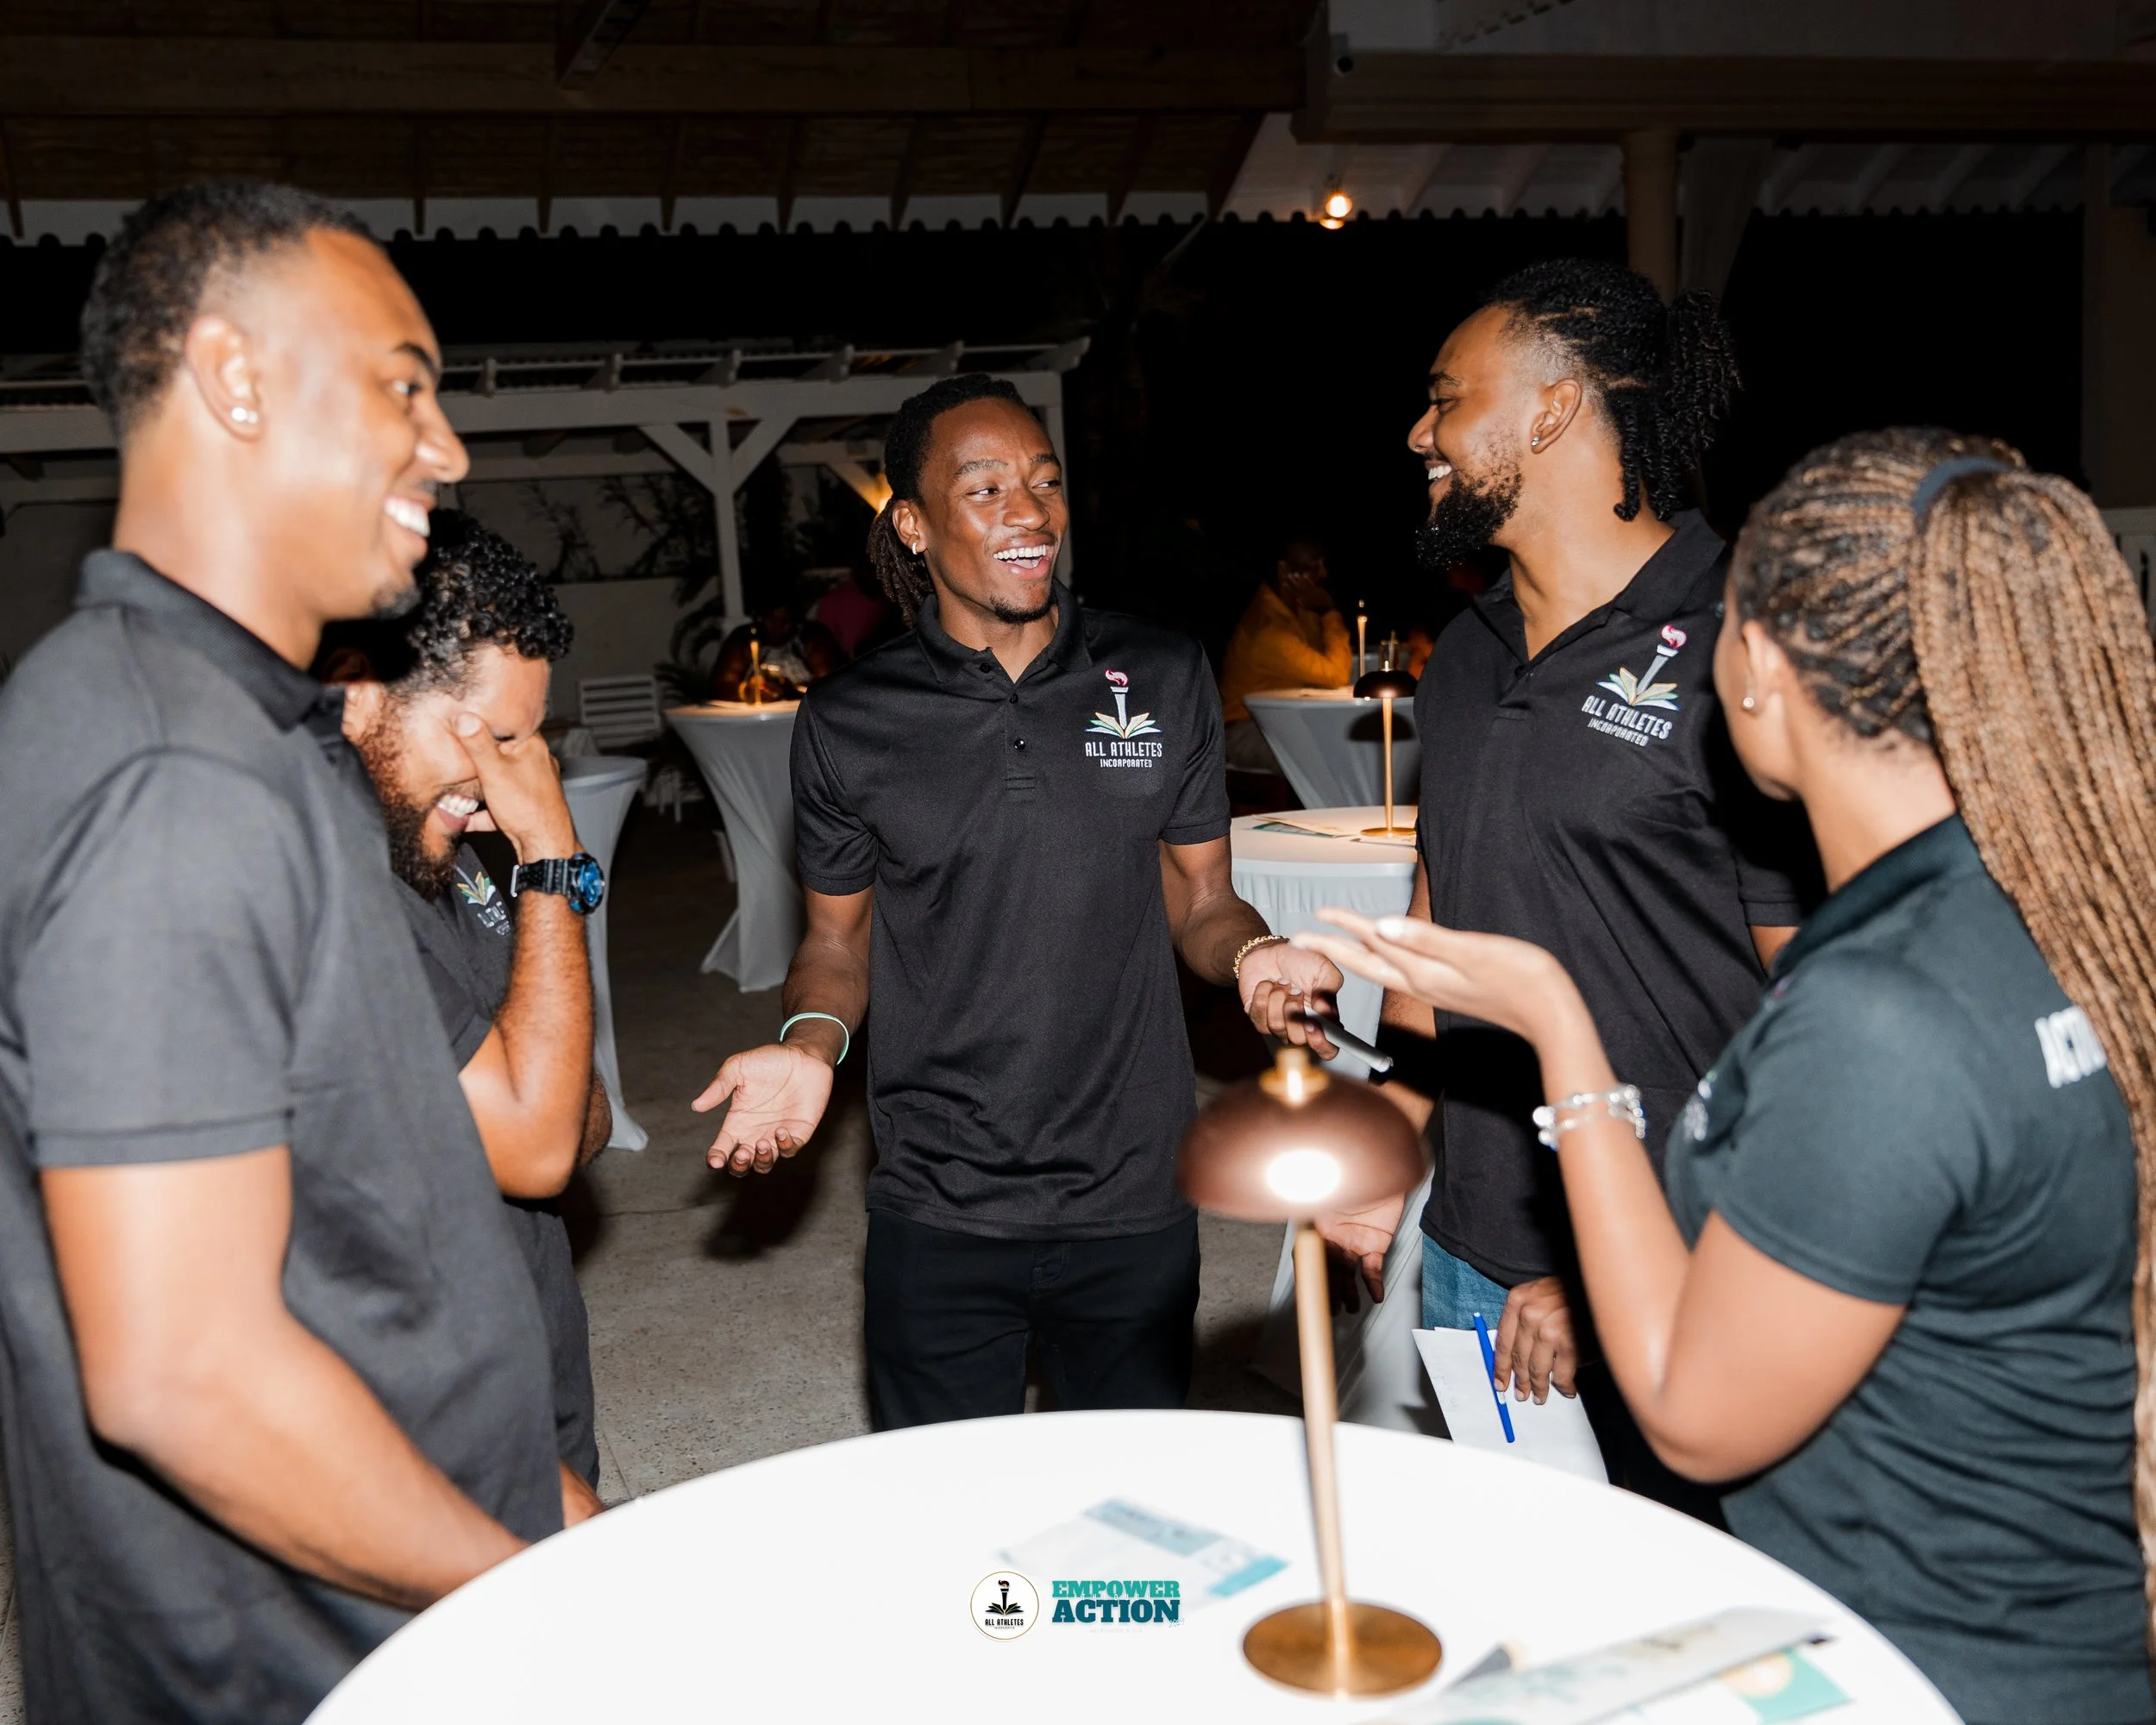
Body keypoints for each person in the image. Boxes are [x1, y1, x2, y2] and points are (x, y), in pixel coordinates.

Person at [1299, 429, 2156, 1724]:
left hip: (1923, 1666)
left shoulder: (1881, 1013)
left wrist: (1560, 1028)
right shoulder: (2054, 908)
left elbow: (1696, 1414)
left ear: (1760, 668)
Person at [0, 183, 576, 1724]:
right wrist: (537, 1594)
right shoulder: (170, 777)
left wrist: (544, 1499)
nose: (447, 449)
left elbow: (347, 1231)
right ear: (234, 378)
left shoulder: (241, 734)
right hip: (302, 1661)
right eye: (404, 384)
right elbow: (182, 1373)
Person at [690, 373, 1341, 1428]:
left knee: (1123, 1517)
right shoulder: (851, 718)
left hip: (1135, 1186)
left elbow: (1202, 899)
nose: (1029, 512)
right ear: (912, 523)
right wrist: (810, 1043)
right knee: (955, 1517)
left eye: (1043, 481)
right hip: (940, 1195)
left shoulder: (1160, 672)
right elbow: (836, 943)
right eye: (985, 488)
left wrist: (1252, 953)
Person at [1319, 260, 1813, 1507]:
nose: (1418, 432)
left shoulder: (1740, 644)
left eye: (1446, 398)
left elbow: (1822, 1020)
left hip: (1695, 1266)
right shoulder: (1466, 654)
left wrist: (1628, 1261)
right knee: (1522, 1604)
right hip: (1477, 1251)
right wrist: (1389, 1134)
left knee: (1697, 1609)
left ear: (1550, 411)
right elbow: (1442, 918)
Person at [320, 510, 612, 1490]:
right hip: (431, 1423)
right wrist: (553, 857)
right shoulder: (333, 893)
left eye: (529, 742)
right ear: (357, 695)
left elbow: (580, 1110)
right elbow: (541, 1145)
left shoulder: (446, 854)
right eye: (494, 737)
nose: (509, 781)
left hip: (530, 1355)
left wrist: (545, 1091)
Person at [1216, 535, 1353, 772]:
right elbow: (1337, 674)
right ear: (1284, 570)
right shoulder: (1268, 630)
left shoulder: (1297, 612)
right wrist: (1328, 612)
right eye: (1313, 565)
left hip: (1280, 721)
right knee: (1318, 757)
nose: (1323, 573)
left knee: (1343, 742)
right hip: (1245, 729)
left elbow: (1325, 662)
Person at [711, 597, 844, 699]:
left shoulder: (813, 637)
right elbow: (721, 685)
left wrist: (790, 692)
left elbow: (829, 686)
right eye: (771, 620)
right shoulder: (744, 638)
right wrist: (747, 691)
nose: (777, 627)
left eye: (785, 622)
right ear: (761, 617)